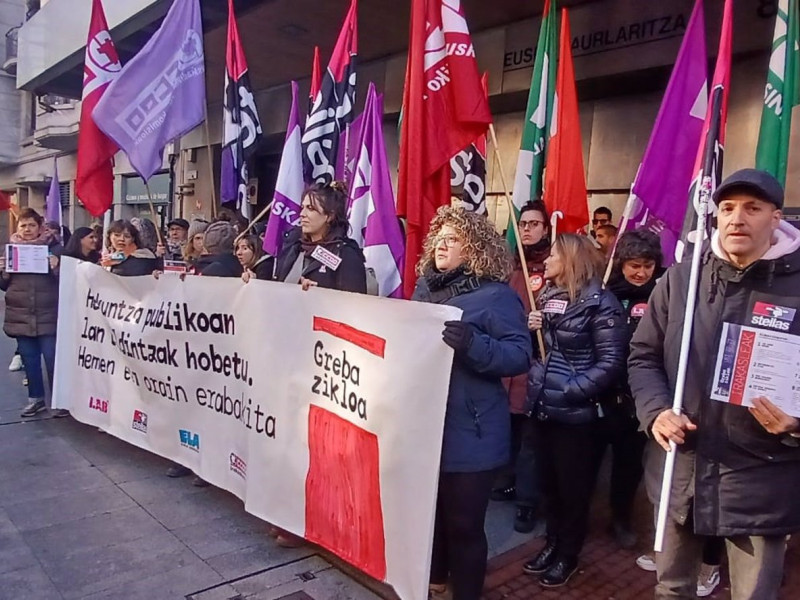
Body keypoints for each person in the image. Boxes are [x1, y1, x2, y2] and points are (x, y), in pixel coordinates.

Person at [629, 169, 800, 600]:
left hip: (760, 480)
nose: (737, 218)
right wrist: (655, 412)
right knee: (671, 590)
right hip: (679, 469)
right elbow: (643, 356)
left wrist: (798, 422)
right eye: (727, 208)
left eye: (752, 208)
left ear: (776, 217)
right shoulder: (682, 279)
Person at [412, 206, 532, 600]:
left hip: (473, 432)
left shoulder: (496, 296)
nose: (441, 245)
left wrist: (473, 345)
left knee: (464, 525)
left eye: (452, 239)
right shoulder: (424, 289)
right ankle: (435, 579)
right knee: (433, 518)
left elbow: (519, 355)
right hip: (427, 426)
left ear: (475, 248)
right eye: (438, 239)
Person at [522, 234, 627, 588]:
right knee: (548, 486)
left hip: (576, 417)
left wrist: (573, 390)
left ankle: (568, 553)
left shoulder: (603, 305)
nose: (547, 259)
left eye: (553, 254)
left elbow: (612, 362)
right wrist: (534, 329)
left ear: (570, 259)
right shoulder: (550, 296)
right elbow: (543, 353)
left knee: (573, 490)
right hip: (543, 409)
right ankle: (551, 543)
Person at [598, 229, 663, 549]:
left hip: (639, 399)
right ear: (621, 263)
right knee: (589, 461)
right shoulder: (603, 293)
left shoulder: (663, 297)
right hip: (601, 394)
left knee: (629, 465)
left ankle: (620, 517)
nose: (641, 272)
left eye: (648, 265)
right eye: (634, 265)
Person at [494, 200, 550, 535]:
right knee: (509, 429)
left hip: (535, 361)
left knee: (531, 438)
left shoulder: (553, 267)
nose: (527, 229)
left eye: (534, 224)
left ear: (546, 229)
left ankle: (528, 503)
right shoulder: (508, 265)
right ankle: (509, 481)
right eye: (523, 224)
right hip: (506, 360)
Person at [0, 208, 65, 418]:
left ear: (40, 227)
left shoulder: (55, 248)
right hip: (20, 315)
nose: (27, 229)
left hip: (47, 313)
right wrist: (3, 272)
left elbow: (66, 281)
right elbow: (3, 285)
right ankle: (35, 399)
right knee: (30, 359)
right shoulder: (8, 250)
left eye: (31, 225)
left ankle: (60, 401)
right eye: (23, 225)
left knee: (52, 357)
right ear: (17, 228)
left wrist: (57, 267)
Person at [274, 182, 367, 293]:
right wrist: (254, 282)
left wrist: (319, 294)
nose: (302, 214)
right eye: (302, 207)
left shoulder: (346, 255)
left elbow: (355, 304)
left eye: (310, 208)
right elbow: (277, 290)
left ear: (330, 216)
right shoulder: (295, 249)